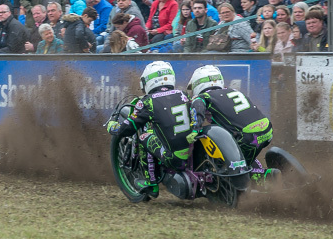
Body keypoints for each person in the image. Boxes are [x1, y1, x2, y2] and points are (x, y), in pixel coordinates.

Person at [107, 61, 192, 197]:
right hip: (191, 153)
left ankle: (151, 183)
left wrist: (113, 127)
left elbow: (128, 128)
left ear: (149, 81)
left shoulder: (148, 101)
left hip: (172, 157)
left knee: (144, 136)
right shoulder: (183, 95)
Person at [186, 65, 276, 184]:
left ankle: (264, 177)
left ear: (198, 83)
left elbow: (198, 109)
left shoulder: (203, 97)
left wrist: (195, 129)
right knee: (246, 158)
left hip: (247, 137)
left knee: (232, 168)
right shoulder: (233, 91)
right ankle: (261, 174)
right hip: (266, 129)